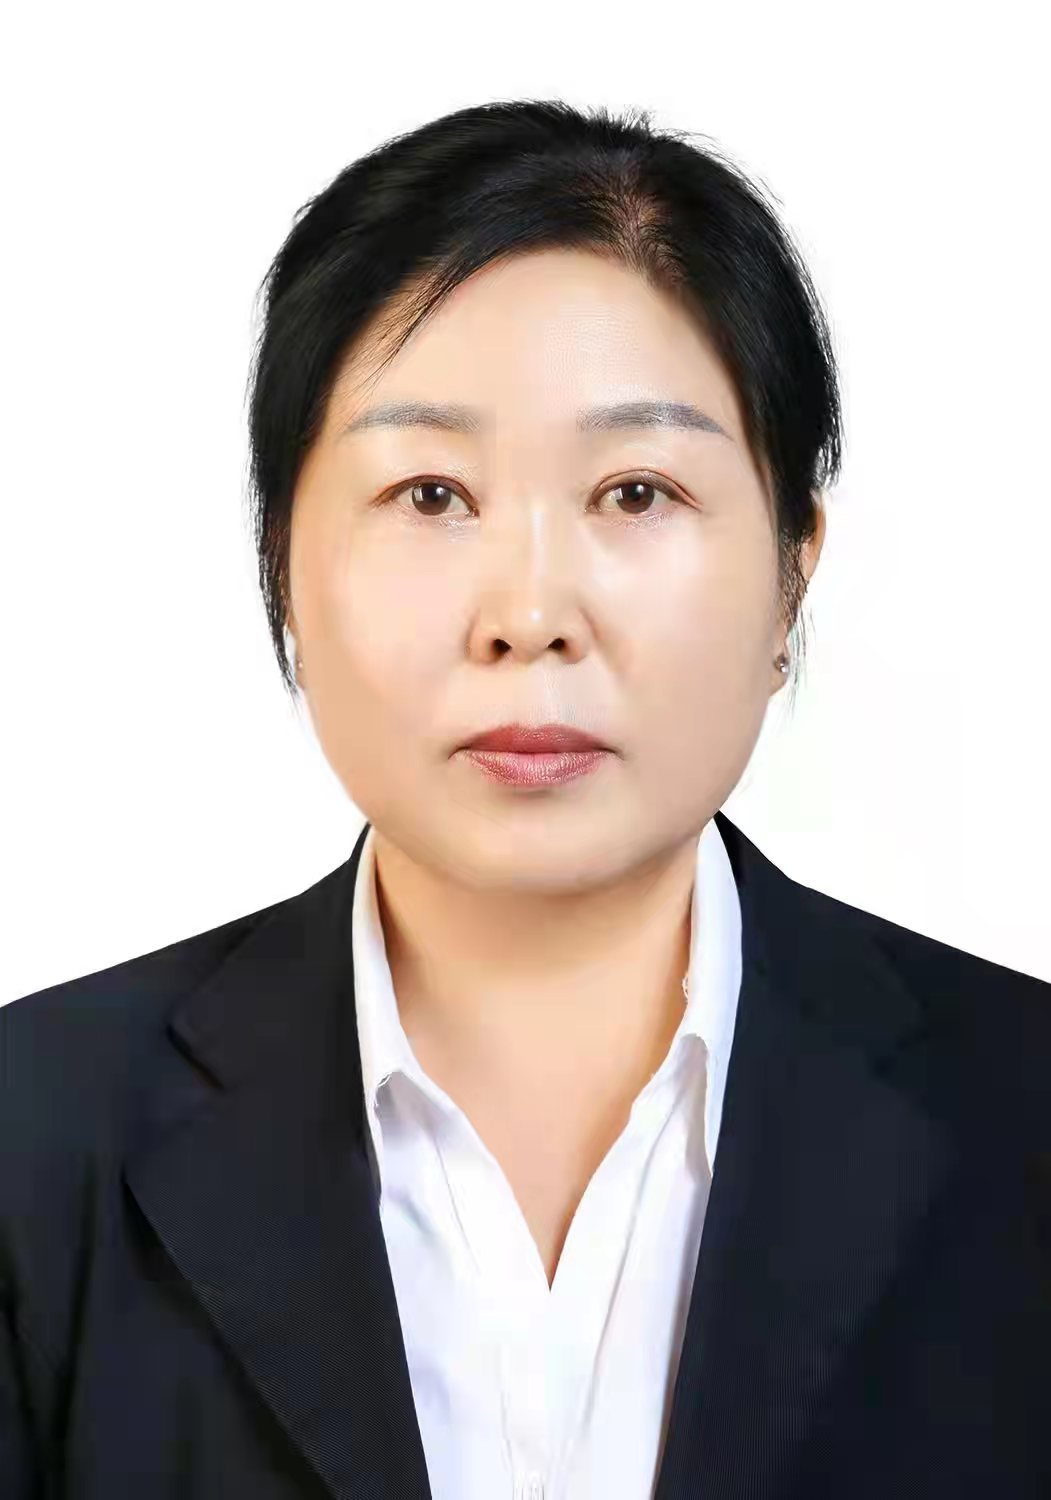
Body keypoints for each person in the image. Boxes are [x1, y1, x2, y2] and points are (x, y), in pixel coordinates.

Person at [2, 98, 1048, 1500]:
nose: (531, 613)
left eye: (637, 492)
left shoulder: (1022, 1115)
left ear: (794, 568)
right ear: (285, 565)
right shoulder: (32, 1139)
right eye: (432, 495)